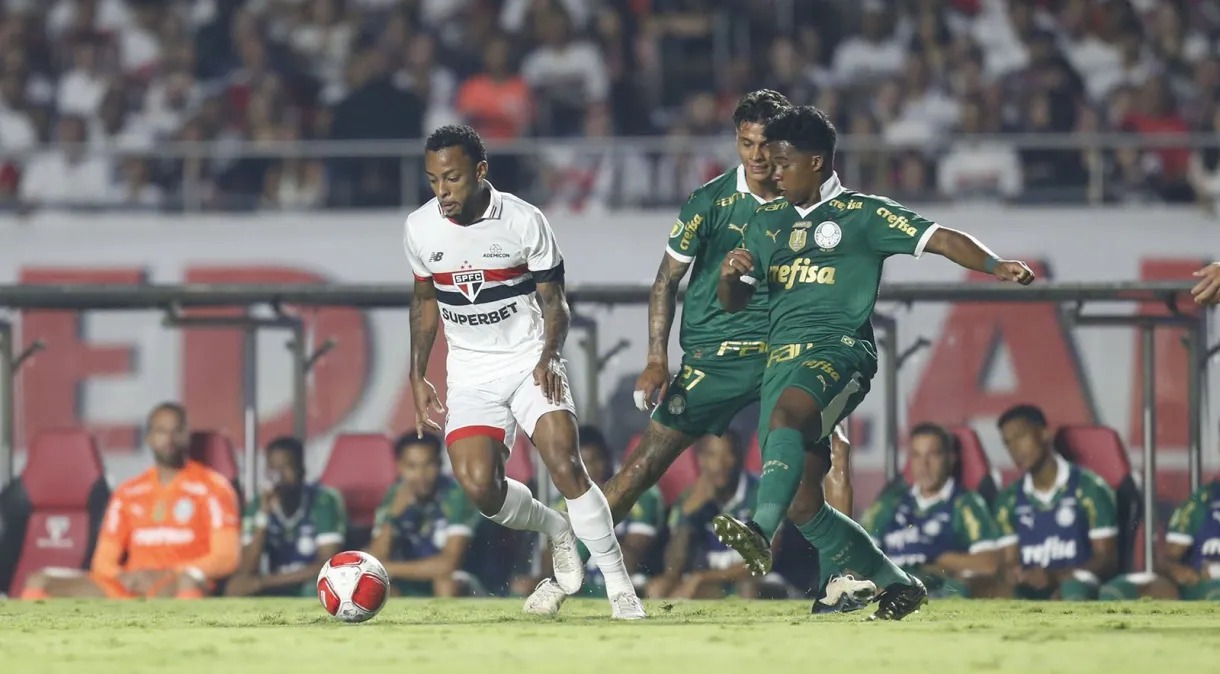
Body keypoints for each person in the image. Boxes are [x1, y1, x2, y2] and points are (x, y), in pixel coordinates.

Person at [713, 105, 1036, 620]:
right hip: (780, 362)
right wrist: (731, 276)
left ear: (816, 162)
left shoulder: (864, 214)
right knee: (804, 500)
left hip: (839, 353)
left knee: (786, 420)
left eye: (783, 163)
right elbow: (733, 301)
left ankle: (758, 526)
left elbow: (942, 238)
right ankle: (896, 583)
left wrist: (995, 265)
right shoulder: (765, 221)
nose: (772, 172)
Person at [550, 89, 866, 613]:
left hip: (788, 351)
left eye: (766, 145)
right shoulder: (711, 201)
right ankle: (565, 571)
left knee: (831, 456)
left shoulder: (810, 202)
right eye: (746, 143)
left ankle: (842, 582)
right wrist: (657, 358)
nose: (758, 156)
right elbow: (665, 280)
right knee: (642, 466)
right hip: (713, 357)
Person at [404, 124, 644, 619]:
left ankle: (620, 586)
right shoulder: (420, 228)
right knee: (478, 486)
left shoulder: (522, 221)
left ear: (480, 170)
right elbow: (425, 301)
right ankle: (555, 529)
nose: (442, 191)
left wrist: (550, 356)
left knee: (564, 460)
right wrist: (418, 374)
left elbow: (555, 304)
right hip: (470, 372)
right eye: (433, 181)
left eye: (451, 178)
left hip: (529, 359)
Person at [21, 403, 240, 599]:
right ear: (149, 437)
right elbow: (103, 562)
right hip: (130, 585)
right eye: (161, 431)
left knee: (188, 581)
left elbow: (226, 557)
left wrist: (170, 572)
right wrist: (125, 577)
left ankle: (183, 642)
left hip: (176, 583)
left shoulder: (214, 487)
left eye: (177, 431)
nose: (170, 439)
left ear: (187, 435)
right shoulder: (128, 492)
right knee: (39, 581)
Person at [860, 423, 1001, 598]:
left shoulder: (966, 503)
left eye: (933, 455)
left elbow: (989, 565)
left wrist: (939, 560)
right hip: (888, 594)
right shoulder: (890, 502)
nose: (924, 465)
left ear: (950, 458)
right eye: (916, 455)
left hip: (938, 598)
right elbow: (856, 557)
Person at [993, 405, 1118, 600]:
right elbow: (1009, 561)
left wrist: (1056, 577)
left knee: (1073, 590)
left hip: (1077, 589)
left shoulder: (1090, 489)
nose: (1015, 449)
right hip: (1032, 590)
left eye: (1021, 437)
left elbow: (1106, 559)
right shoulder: (1007, 499)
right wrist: (1013, 574)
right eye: (1008, 443)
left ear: (1045, 434)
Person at [535, 426, 664, 600]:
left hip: (630, 581)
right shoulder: (561, 501)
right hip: (578, 585)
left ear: (608, 458)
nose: (589, 470)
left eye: (595, 460)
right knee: (524, 586)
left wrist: (589, 524)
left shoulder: (642, 495)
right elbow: (549, 559)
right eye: (581, 463)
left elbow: (632, 559)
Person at [647, 431, 776, 600]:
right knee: (657, 588)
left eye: (728, 454)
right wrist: (688, 513)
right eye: (711, 455)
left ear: (740, 458)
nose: (719, 464)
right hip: (709, 584)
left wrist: (702, 578)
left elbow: (762, 563)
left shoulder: (760, 494)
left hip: (757, 581)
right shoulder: (689, 497)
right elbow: (673, 569)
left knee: (747, 586)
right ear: (700, 460)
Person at [226, 436, 347, 597]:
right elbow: (247, 569)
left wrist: (263, 582)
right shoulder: (258, 504)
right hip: (273, 583)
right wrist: (262, 518)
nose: (279, 476)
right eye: (273, 469)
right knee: (235, 588)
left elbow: (328, 565)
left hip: (309, 582)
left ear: (302, 470)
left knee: (316, 589)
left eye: (286, 467)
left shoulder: (323, 500)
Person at [367, 431, 480, 597]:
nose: (421, 475)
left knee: (446, 581)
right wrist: (393, 516)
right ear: (399, 467)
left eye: (428, 465)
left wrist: (388, 568)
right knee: (379, 587)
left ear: (440, 464)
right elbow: (377, 556)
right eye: (412, 466)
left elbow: (449, 564)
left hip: (463, 581)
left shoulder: (457, 495)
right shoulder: (395, 495)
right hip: (410, 579)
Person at [1100, 477, 1220, 600]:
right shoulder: (1203, 500)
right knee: (1122, 590)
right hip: (1199, 585)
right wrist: (1180, 571)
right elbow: (1167, 560)